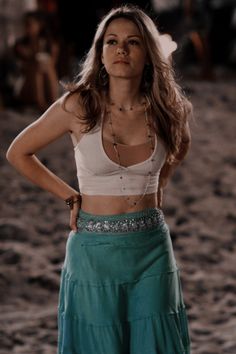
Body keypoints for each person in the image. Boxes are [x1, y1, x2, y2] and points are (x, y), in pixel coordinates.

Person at [6, 5, 193, 354]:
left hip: (151, 249)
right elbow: (18, 152)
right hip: (92, 251)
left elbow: (181, 145)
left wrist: (160, 181)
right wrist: (70, 196)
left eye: (133, 42)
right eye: (112, 41)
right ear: (101, 52)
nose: (121, 49)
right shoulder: (78, 106)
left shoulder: (167, 108)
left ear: (148, 55)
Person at [14, 10, 59, 111]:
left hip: (45, 84)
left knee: (45, 65)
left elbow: (52, 63)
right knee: (36, 66)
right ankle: (42, 103)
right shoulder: (20, 44)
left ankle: (51, 101)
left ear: (40, 25)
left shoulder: (48, 43)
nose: (27, 27)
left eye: (30, 24)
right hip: (26, 87)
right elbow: (21, 68)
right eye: (25, 24)